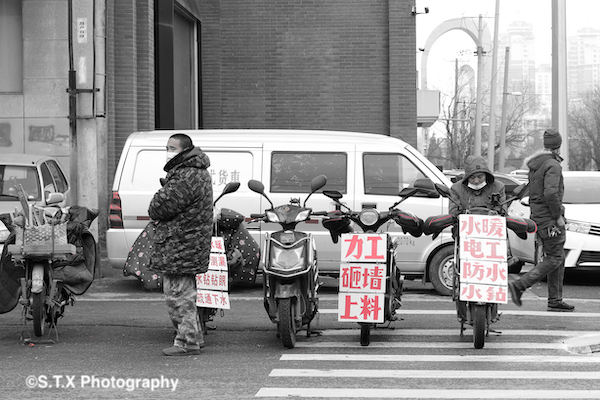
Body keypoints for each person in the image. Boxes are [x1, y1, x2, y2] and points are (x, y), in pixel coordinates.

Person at [148, 133, 214, 355]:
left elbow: (159, 207)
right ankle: (193, 335)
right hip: (187, 243)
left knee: (178, 294)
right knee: (183, 292)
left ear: (185, 150)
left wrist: (161, 192)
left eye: (172, 148)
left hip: (181, 244)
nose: (168, 151)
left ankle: (187, 341)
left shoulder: (185, 176)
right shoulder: (195, 172)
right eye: (166, 147)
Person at [508, 128, 573, 312]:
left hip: (538, 216)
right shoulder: (552, 165)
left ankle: (555, 299)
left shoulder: (538, 165)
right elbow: (551, 193)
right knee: (555, 258)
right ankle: (520, 285)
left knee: (556, 257)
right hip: (549, 219)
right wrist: (558, 215)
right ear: (559, 146)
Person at [449, 155, 507, 219]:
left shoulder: (498, 187)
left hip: (492, 226)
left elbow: (503, 211)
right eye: (472, 177)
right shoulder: (456, 189)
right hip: (464, 227)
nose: (476, 181)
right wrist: (462, 213)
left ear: (486, 175)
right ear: (467, 177)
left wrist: (496, 212)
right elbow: (453, 212)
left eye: (480, 177)